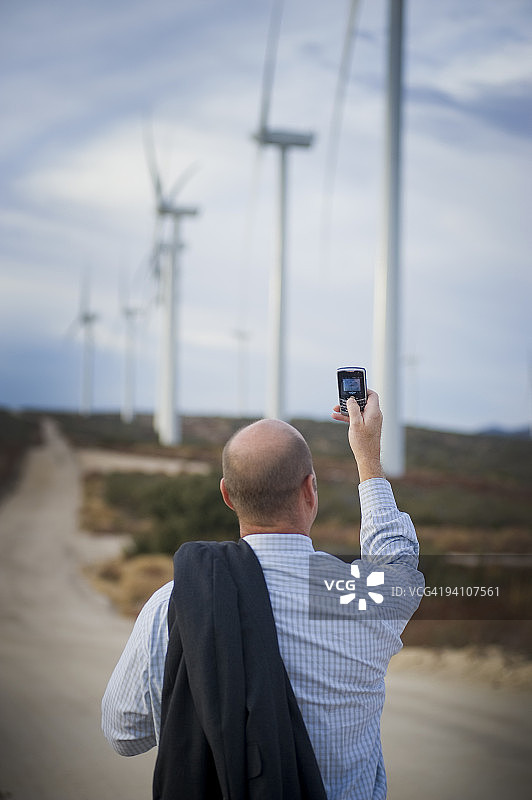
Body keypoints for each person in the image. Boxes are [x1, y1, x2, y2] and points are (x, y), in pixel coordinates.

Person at [102, 391, 423, 799]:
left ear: (227, 495)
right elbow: (399, 563)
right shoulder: (361, 599)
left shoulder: (174, 604)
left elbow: (123, 734)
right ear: (310, 491)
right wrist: (368, 460)